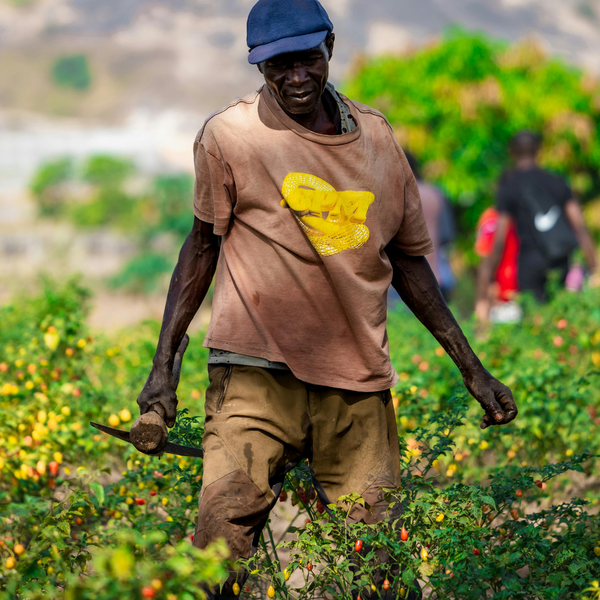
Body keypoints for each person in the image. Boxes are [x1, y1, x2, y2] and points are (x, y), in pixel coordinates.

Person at [136, 1, 517, 597]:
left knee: (375, 566)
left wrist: (473, 369)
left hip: (357, 384)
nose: (295, 78)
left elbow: (409, 264)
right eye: (277, 65)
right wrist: (163, 371)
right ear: (258, 66)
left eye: (306, 60)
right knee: (216, 557)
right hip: (253, 374)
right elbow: (201, 247)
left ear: (330, 49)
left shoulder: (379, 140)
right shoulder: (229, 136)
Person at [476, 131, 598, 317]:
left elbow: (499, 240)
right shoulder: (557, 181)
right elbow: (579, 227)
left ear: (512, 152)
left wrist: (484, 283)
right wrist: (594, 267)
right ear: (538, 150)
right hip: (559, 260)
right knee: (562, 317)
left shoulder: (509, 188)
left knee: (535, 321)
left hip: (528, 264)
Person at [405, 151, 456, 300]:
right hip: (437, 274)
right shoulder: (435, 193)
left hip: (403, 279)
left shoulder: (393, 195)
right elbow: (447, 235)